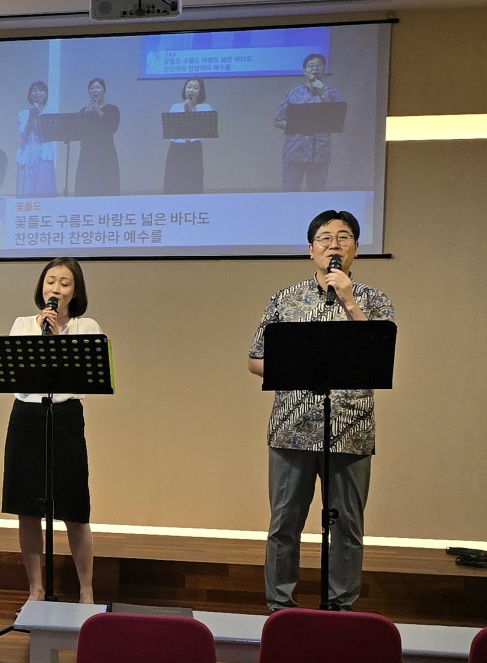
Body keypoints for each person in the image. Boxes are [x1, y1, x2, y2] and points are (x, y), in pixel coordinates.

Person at [247, 210, 394, 611]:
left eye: (344, 237)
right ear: (310, 249)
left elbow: (378, 357)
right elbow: (255, 359)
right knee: (284, 525)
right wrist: (296, 368)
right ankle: (280, 608)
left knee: (347, 528)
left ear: (356, 249)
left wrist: (349, 300)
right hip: (291, 429)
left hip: (350, 430)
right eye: (325, 238)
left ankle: (340, 611)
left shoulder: (374, 300)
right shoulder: (285, 299)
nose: (334, 245)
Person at [1, 259, 100, 604]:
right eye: (50, 281)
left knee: (75, 508)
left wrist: (58, 339)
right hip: (26, 417)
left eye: (64, 283)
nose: (55, 289)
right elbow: (16, 375)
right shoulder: (23, 324)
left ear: (76, 291)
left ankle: (86, 592)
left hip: (65, 417)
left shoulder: (86, 327)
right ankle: (36, 590)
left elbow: (85, 379)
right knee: (27, 509)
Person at [274, 53, 342, 191]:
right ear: (304, 71)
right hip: (294, 153)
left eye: (319, 65)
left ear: (324, 69)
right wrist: (297, 126)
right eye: (311, 65)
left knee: (316, 196)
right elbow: (278, 120)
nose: (315, 68)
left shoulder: (332, 93)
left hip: (320, 154)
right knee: (289, 194)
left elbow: (336, 118)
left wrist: (323, 93)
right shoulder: (293, 93)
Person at [164, 77, 212, 194]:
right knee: (173, 181)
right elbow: (172, 131)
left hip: (193, 148)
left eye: (195, 88)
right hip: (176, 148)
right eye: (189, 87)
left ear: (200, 91)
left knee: (193, 179)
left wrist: (192, 109)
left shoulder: (205, 107)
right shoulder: (176, 107)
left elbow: (204, 131)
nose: (191, 90)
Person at [75, 78, 121, 196]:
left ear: (104, 91)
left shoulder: (112, 109)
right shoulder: (83, 111)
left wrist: (98, 111)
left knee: (106, 187)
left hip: (106, 154)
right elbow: (78, 132)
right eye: (92, 88)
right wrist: (86, 113)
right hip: (87, 154)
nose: (95, 90)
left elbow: (112, 128)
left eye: (98, 87)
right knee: (86, 188)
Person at [15, 81, 57, 197]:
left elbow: (50, 133)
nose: (37, 93)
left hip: (43, 152)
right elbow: (23, 133)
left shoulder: (50, 112)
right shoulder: (23, 114)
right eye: (34, 90)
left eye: (41, 90)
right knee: (27, 188)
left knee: (43, 187)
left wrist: (39, 115)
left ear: (46, 95)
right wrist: (31, 116)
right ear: (30, 95)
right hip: (27, 152)